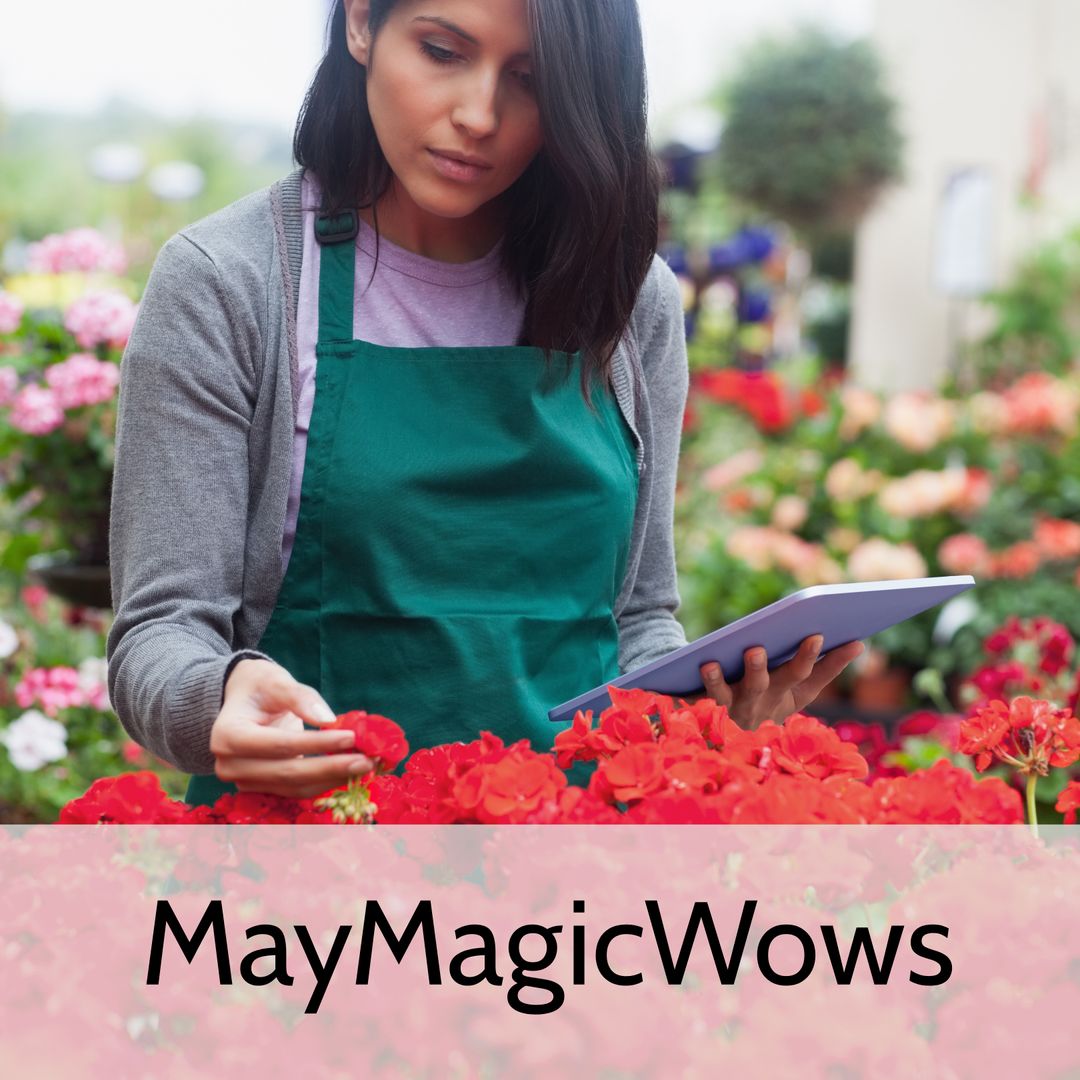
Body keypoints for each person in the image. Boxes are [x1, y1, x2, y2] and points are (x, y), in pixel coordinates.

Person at [106, 0, 862, 806]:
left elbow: (637, 617)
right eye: (441, 51)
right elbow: (162, 632)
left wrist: (713, 711)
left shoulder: (626, 297)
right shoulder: (230, 283)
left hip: (573, 880)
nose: (478, 115)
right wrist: (214, 696)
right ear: (361, 23)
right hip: (308, 873)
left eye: (532, 82)